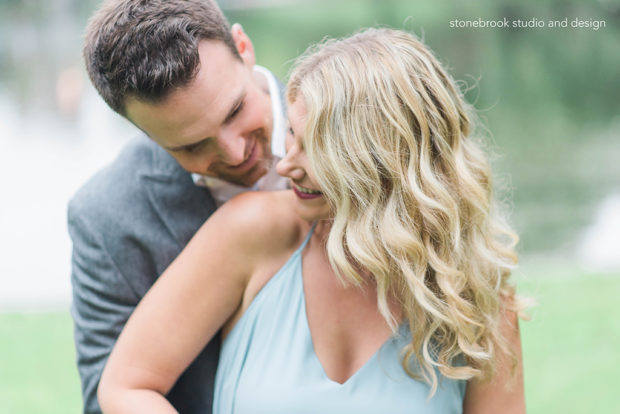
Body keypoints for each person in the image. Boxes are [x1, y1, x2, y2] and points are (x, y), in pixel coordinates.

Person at [97, 28, 527, 413]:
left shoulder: (477, 299)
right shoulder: (252, 233)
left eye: (317, 149)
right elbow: (126, 385)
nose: (286, 167)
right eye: (293, 137)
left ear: (387, 158)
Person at [68, 0, 288, 413]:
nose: (235, 151)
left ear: (243, 46)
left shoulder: (361, 126)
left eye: (235, 109)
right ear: (143, 132)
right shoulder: (106, 217)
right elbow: (107, 399)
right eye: (191, 145)